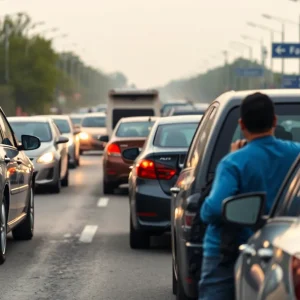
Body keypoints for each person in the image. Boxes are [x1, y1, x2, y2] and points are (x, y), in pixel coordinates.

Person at [198, 92, 300, 300]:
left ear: (242, 125)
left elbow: (215, 209)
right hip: (284, 243)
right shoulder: (296, 155)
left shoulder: (233, 162)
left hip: (228, 250)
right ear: (274, 121)